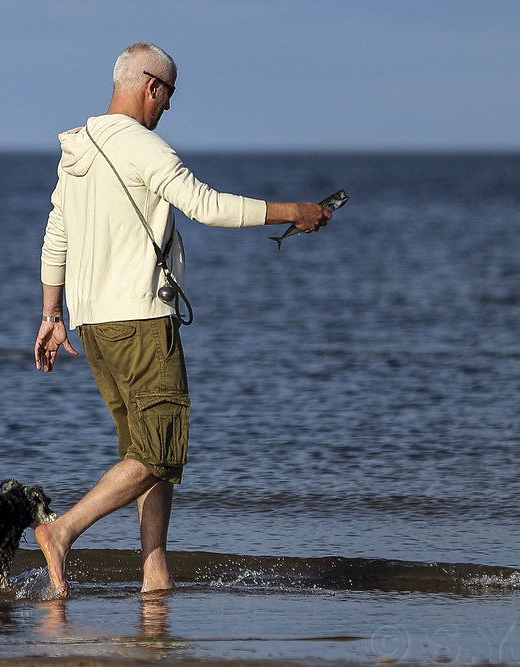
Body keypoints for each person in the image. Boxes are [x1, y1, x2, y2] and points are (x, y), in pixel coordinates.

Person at [32, 43, 333, 598]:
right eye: (169, 95)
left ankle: (155, 573)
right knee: (161, 451)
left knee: (146, 453)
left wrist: (53, 314)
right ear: (151, 87)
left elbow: (57, 235)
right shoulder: (143, 146)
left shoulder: (79, 148)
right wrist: (293, 212)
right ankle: (63, 531)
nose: (168, 107)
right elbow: (206, 204)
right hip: (141, 322)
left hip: (95, 327)